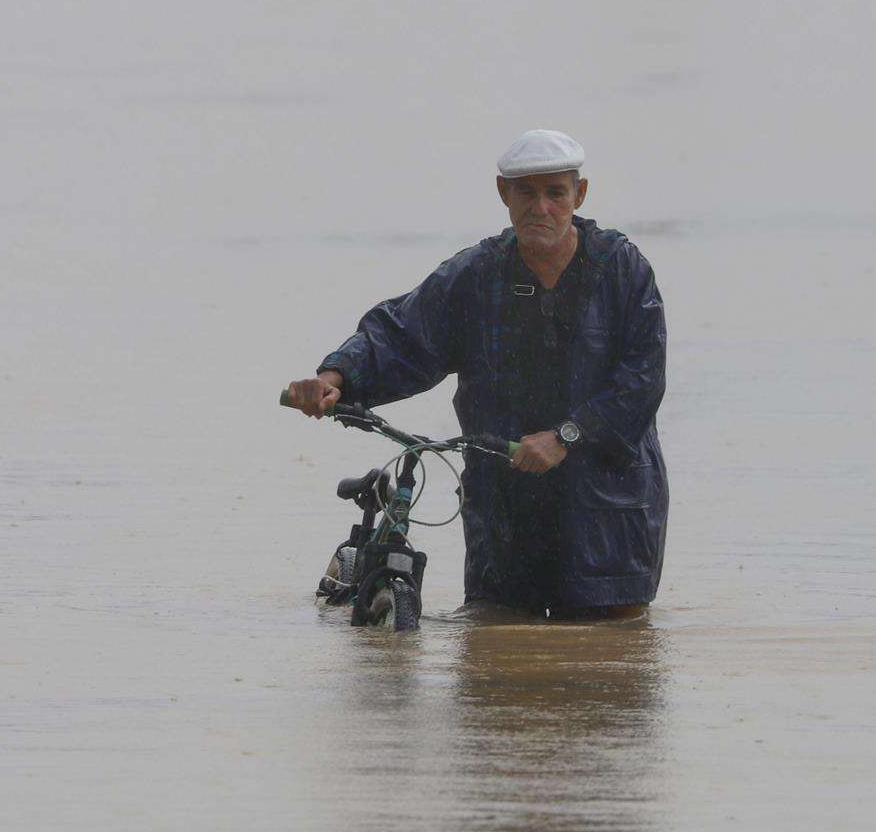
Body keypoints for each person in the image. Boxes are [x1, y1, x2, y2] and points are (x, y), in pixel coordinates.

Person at [285, 129, 668, 620]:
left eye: (555, 192)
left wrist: (566, 437)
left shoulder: (623, 271)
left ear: (580, 194)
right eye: (526, 192)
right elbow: (400, 334)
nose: (541, 207)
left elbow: (642, 381)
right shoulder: (476, 275)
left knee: (609, 656)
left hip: (608, 514)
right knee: (493, 649)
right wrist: (335, 378)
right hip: (504, 508)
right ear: (503, 194)